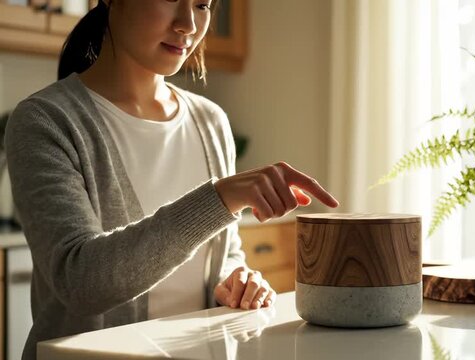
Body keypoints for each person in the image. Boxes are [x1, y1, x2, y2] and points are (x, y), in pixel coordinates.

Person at [4, 1, 339, 359]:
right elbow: (81, 281)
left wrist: (234, 280)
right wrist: (219, 199)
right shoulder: (45, 122)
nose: (189, 24)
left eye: (202, 4)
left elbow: (225, 253)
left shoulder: (211, 122)